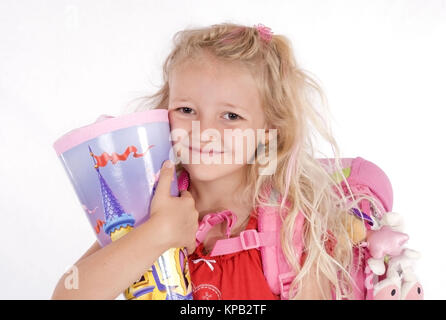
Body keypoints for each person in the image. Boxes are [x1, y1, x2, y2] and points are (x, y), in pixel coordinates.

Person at [52, 22, 378, 300]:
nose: (204, 131)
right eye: (186, 110)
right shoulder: (149, 205)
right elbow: (68, 294)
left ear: (268, 131)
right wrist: (158, 233)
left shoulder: (293, 227)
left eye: (231, 115)